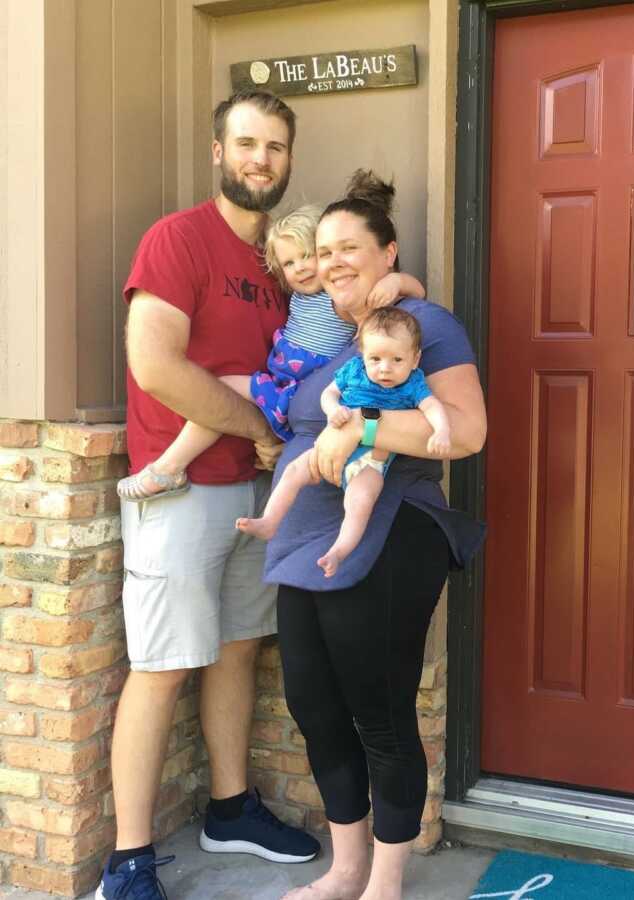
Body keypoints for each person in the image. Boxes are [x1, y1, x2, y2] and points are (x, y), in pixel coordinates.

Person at [97, 91, 321, 900]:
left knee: (235, 650)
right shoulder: (178, 239)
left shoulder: (278, 266)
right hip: (181, 487)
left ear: (289, 160)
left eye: (276, 145)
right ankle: (126, 862)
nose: (261, 157)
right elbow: (154, 366)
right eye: (247, 143)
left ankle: (229, 808)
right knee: (161, 665)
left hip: (251, 493)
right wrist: (254, 426)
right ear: (218, 152)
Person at [266, 170, 487, 900]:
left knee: (379, 713)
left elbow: (466, 431)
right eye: (323, 249)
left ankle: (384, 884)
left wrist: (361, 426)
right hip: (303, 543)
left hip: (390, 532)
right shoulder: (333, 332)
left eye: (349, 247)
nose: (332, 260)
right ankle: (346, 869)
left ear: (387, 254)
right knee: (314, 705)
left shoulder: (427, 326)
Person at [116, 205, 424, 502]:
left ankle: (168, 468)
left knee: (225, 394)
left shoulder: (340, 298)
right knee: (216, 393)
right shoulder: (295, 296)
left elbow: (414, 292)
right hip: (275, 379)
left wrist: (396, 280)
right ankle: (170, 466)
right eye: (289, 264)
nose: (300, 268)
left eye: (308, 256)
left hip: (297, 389)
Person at [237, 307, 452, 579]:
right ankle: (269, 521)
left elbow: (432, 406)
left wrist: (441, 431)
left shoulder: (412, 384)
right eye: (375, 358)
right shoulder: (354, 371)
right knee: (293, 472)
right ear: (362, 354)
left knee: (360, 502)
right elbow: (329, 393)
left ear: (415, 359)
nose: (385, 368)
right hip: (326, 450)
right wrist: (332, 409)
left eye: (397, 359)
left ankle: (339, 551)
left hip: (369, 462)